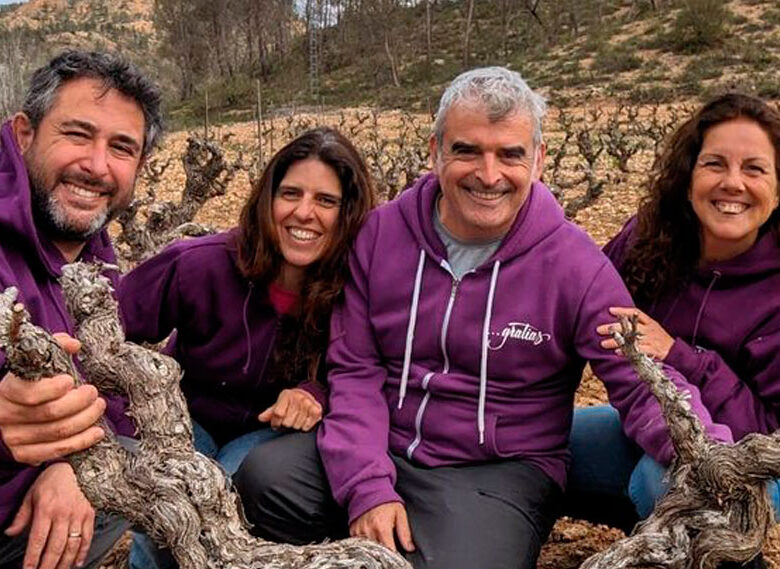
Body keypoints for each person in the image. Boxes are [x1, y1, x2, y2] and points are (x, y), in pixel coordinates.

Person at [233, 67, 732, 569]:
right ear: (435, 152)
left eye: (510, 154)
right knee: (265, 480)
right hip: (385, 443)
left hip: (498, 472)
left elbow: (638, 378)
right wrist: (367, 486)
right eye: (467, 150)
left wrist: (712, 456)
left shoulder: (573, 264)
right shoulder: (381, 236)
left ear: (537, 160)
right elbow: (357, 370)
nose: (488, 174)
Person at [118, 127, 375, 569]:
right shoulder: (201, 263)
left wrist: (315, 395)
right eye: (290, 193)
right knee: (168, 503)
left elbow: (364, 372)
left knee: (226, 501)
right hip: (185, 418)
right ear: (267, 199)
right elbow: (109, 324)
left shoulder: (356, 287)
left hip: (267, 435)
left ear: (349, 212)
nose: (304, 212)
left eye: (326, 201)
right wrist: (122, 399)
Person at [567, 94, 780, 566]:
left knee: (665, 483)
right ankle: (649, 532)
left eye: (755, 169)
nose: (732, 183)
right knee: (544, 444)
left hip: (752, 460)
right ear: (687, 179)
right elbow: (580, 303)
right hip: (653, 427)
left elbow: (770, 431)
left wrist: (679, 357)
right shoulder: (648, 238)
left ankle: (721, 555)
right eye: (714, 164)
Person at [0, 51, 162, 569]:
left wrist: (76, 464)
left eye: (121, 147)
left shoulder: (91, 254)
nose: (96, 165)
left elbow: (109, 388)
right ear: (25, 134)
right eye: (76, 134)